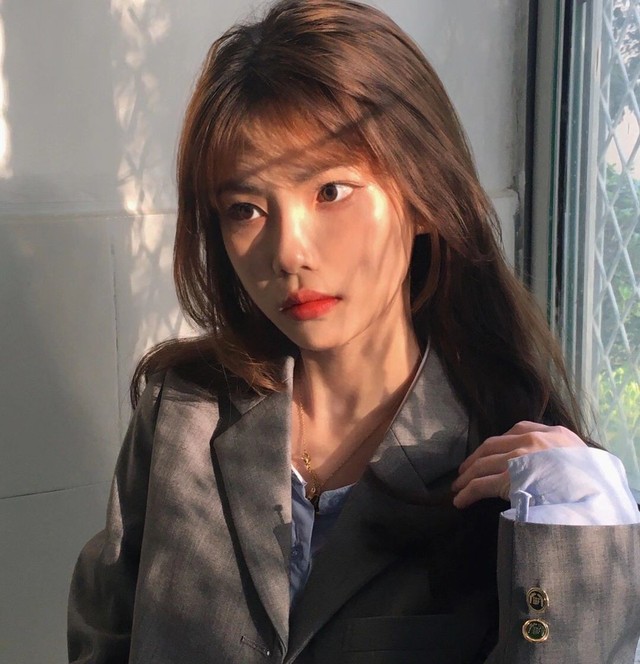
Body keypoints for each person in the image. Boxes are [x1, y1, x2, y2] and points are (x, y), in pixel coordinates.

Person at [67, 1, 640, 662]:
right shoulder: (180, 411)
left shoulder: (511, 460)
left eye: (331, 191)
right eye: (245, 209)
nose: (288, 252)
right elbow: (103, 638)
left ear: (424, 198)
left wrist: (573, 531)